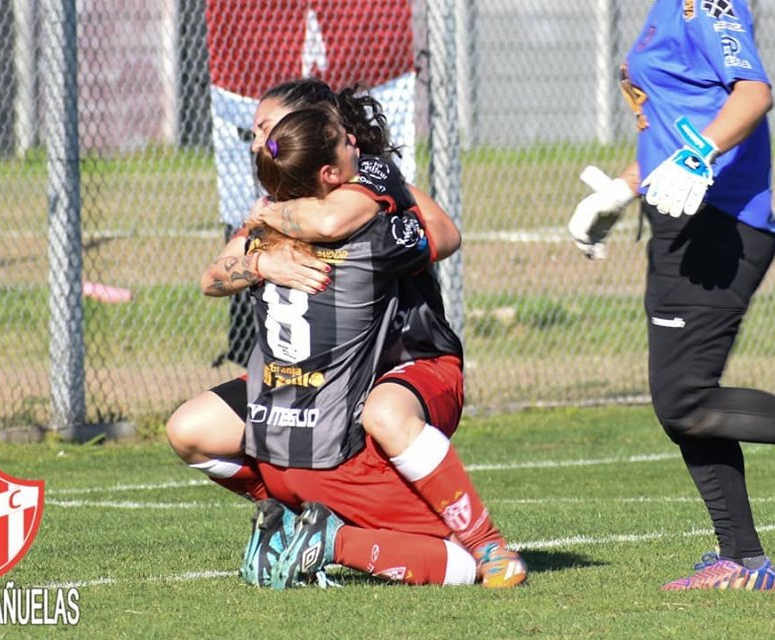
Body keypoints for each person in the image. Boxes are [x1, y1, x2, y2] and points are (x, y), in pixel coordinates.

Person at [167, 79, 525, 588]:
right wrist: (265, 260)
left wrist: (271, 228)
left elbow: (438, 233)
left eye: (267, 129)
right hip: (322, 406)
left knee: (384, 411)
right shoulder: (293, 218)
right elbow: (213, 277)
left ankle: (483, 543)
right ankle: (306, 527)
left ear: (309, 128)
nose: (257, 144)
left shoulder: (365, 188)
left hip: (406, 360)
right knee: (191, 428)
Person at [568, 0, 775, 591]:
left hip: (720, 225)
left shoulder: (705, 2)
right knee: (681, 402)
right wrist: (621, 192)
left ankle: (746, 554)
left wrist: (698, 153)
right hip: (679, 221)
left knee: (684, 400)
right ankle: (743, 559)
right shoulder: (663, 9)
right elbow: (679, 119)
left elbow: (753, 94)